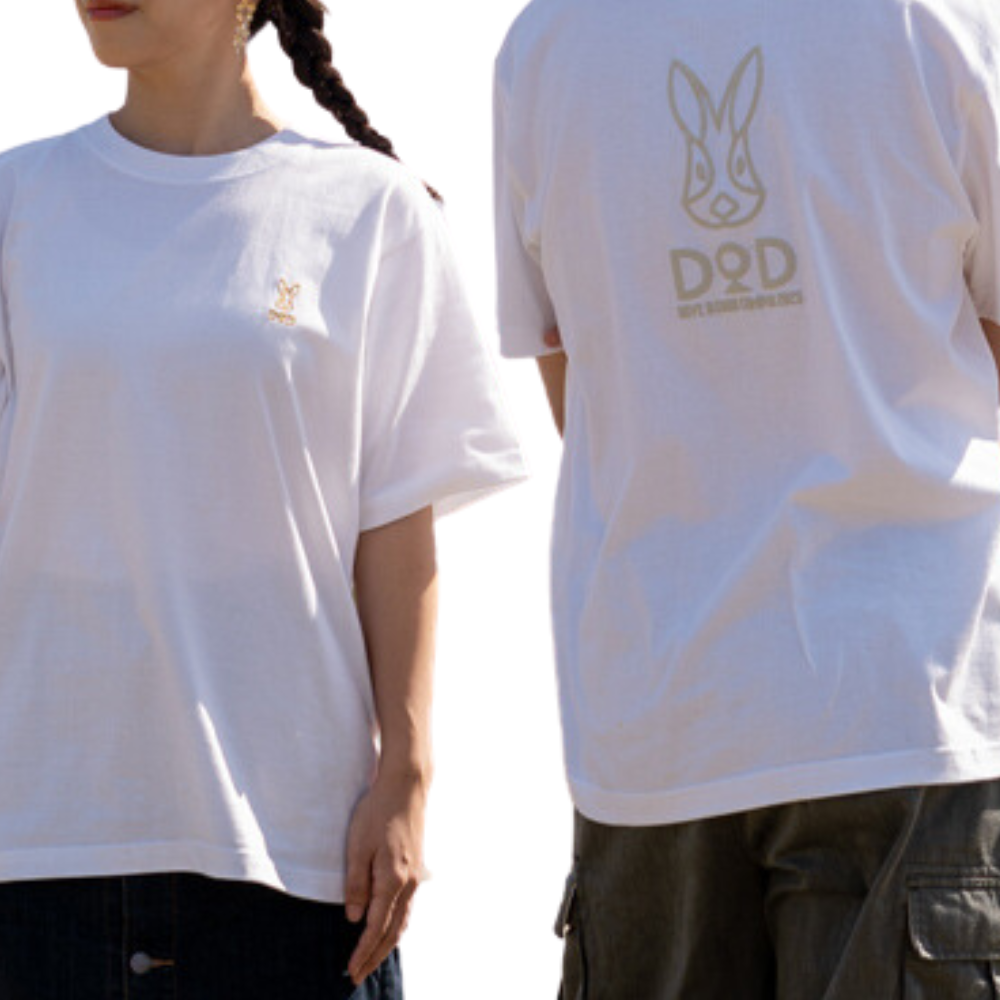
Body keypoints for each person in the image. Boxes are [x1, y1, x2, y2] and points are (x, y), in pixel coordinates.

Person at [0, 1, 525, 997]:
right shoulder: (16, 200)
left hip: (295, 852)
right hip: (39, 845)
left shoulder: (371, 211)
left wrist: (407, 776)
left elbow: (396, 524)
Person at [494, 0, 1000, 996]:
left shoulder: (545, 43)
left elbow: (579, 391)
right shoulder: (943, 20)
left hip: (660, 719)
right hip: (906, 699)